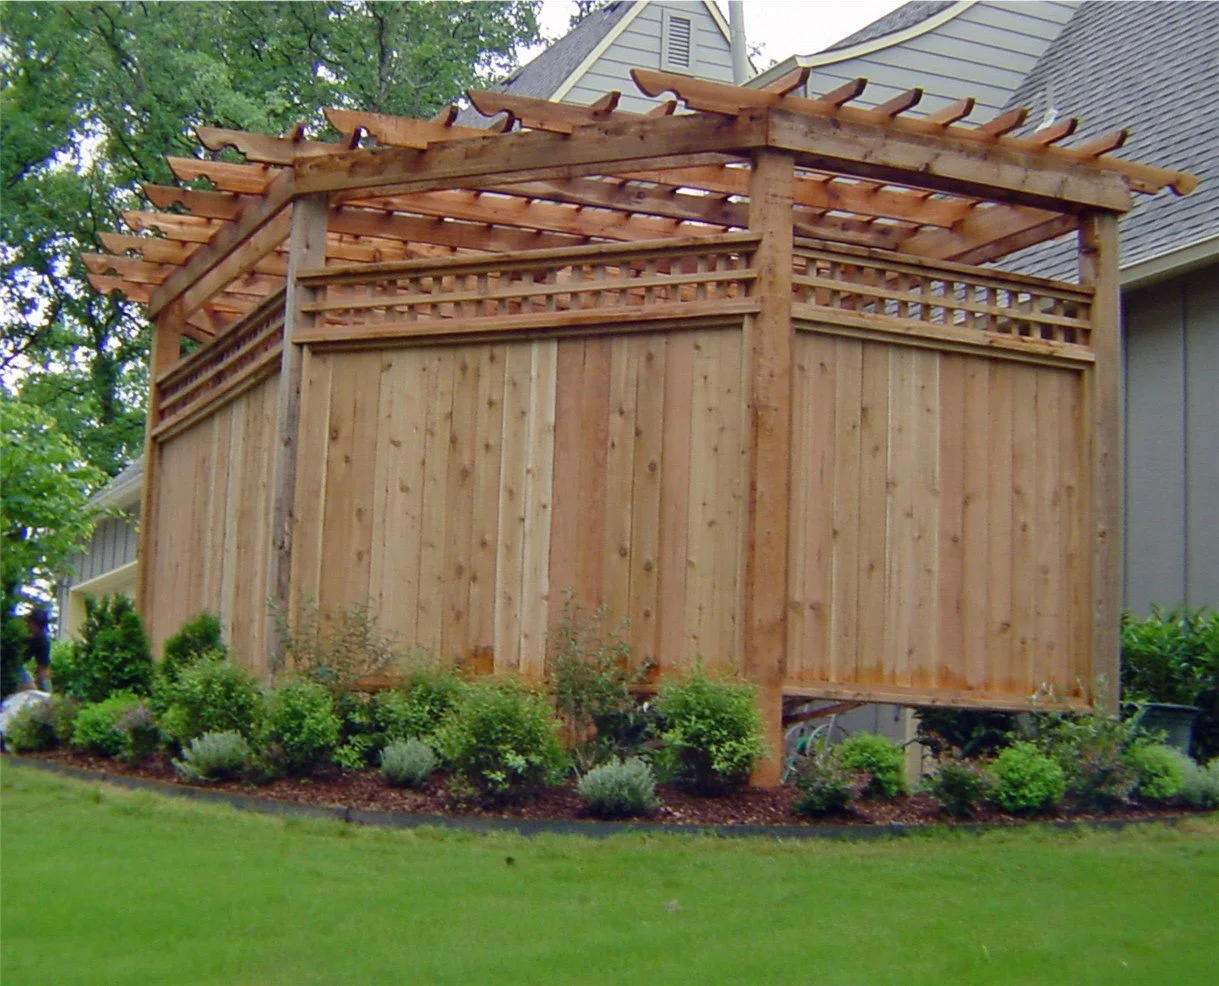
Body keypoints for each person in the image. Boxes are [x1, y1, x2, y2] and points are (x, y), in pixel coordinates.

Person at [24, 607, 52, 692]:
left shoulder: (41, 641)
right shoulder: (19, 633)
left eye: (41, 627)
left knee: (32, 689)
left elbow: (43, 667)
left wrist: (45, 688)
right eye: (35, 625)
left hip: (15, 665)